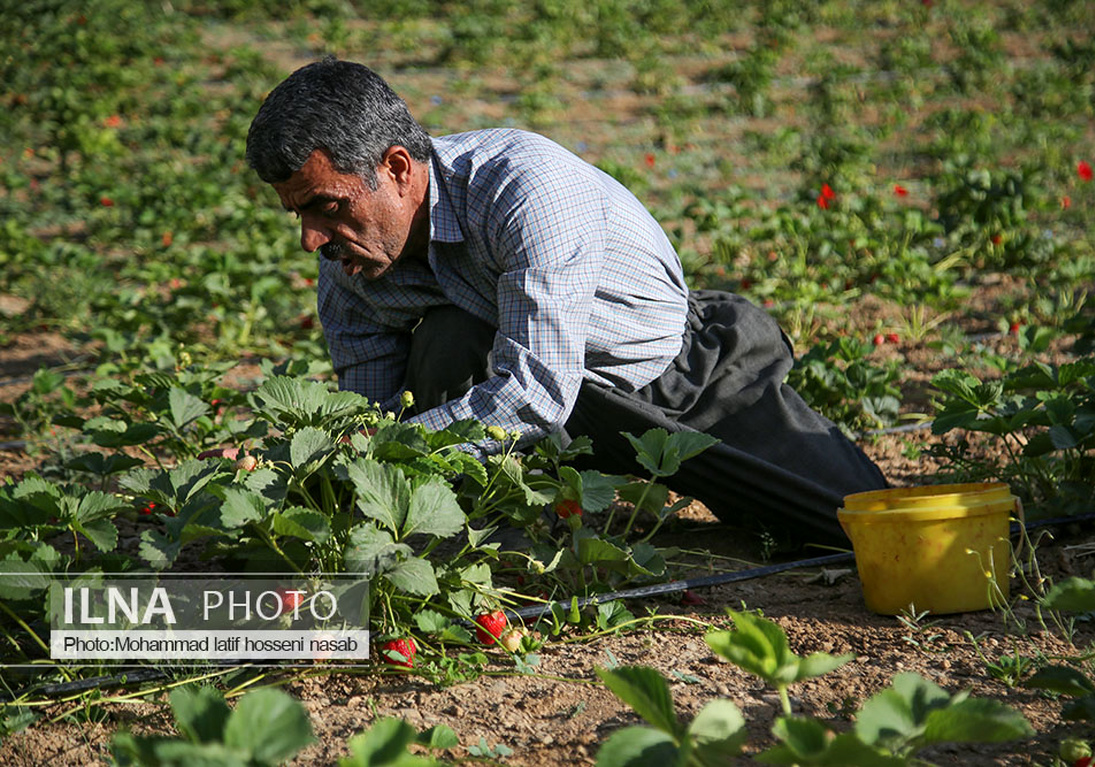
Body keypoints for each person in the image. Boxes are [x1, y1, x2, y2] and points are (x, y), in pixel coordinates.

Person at [246, 58, 887, 546]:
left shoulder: (522, 190)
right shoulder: (349, 264)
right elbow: (374, 415)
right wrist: (321, 478)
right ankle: (501, 542)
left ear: (397, 168)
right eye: (297, 214)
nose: (311, 240)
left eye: (327, 207)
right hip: (537, 415)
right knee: (448, 341)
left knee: (856, 527)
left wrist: (368, 457)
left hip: (670, 379)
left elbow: (530, 393)